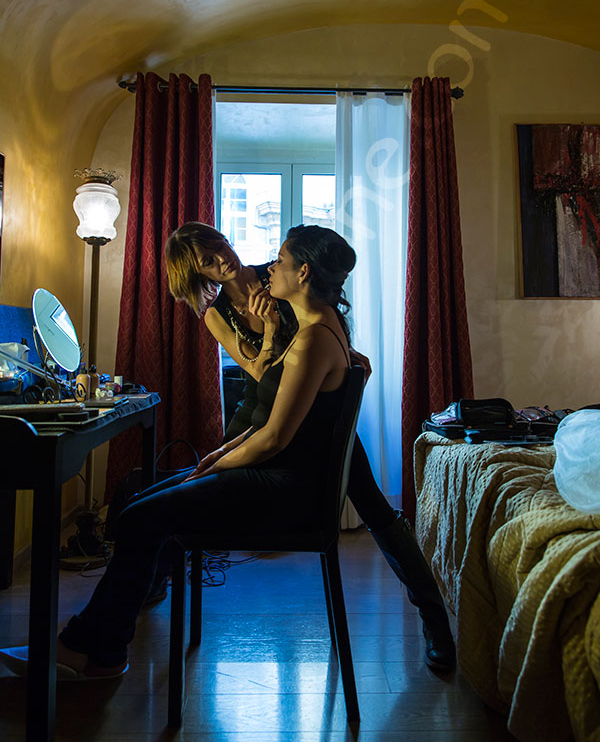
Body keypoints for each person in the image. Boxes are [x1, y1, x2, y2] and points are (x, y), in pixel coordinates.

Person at [0, 224, 369, 679]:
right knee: (138, 505)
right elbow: (269, 413)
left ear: (304, 272)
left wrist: (214, 463)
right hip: (280, 466)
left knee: (139, 517)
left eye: (280, 261)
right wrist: (219, 456)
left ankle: (90, 649)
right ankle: (98, 642)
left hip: (285, 483)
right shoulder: (313, 327)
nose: (271, 266)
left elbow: (274, 436)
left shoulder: (313, 338)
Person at [165, 222, 455, 671]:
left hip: (313, 410)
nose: (222, 258)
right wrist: (265, 331)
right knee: (193, 491)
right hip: (260, 412)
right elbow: (262, 377)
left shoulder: (279, 273)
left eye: (218, 245)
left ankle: (435, 622)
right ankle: (152, 572)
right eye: (208, 260)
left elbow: (324, 326)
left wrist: (345, 359)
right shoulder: (217, 315)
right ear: (199, 275)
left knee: (376, 509)